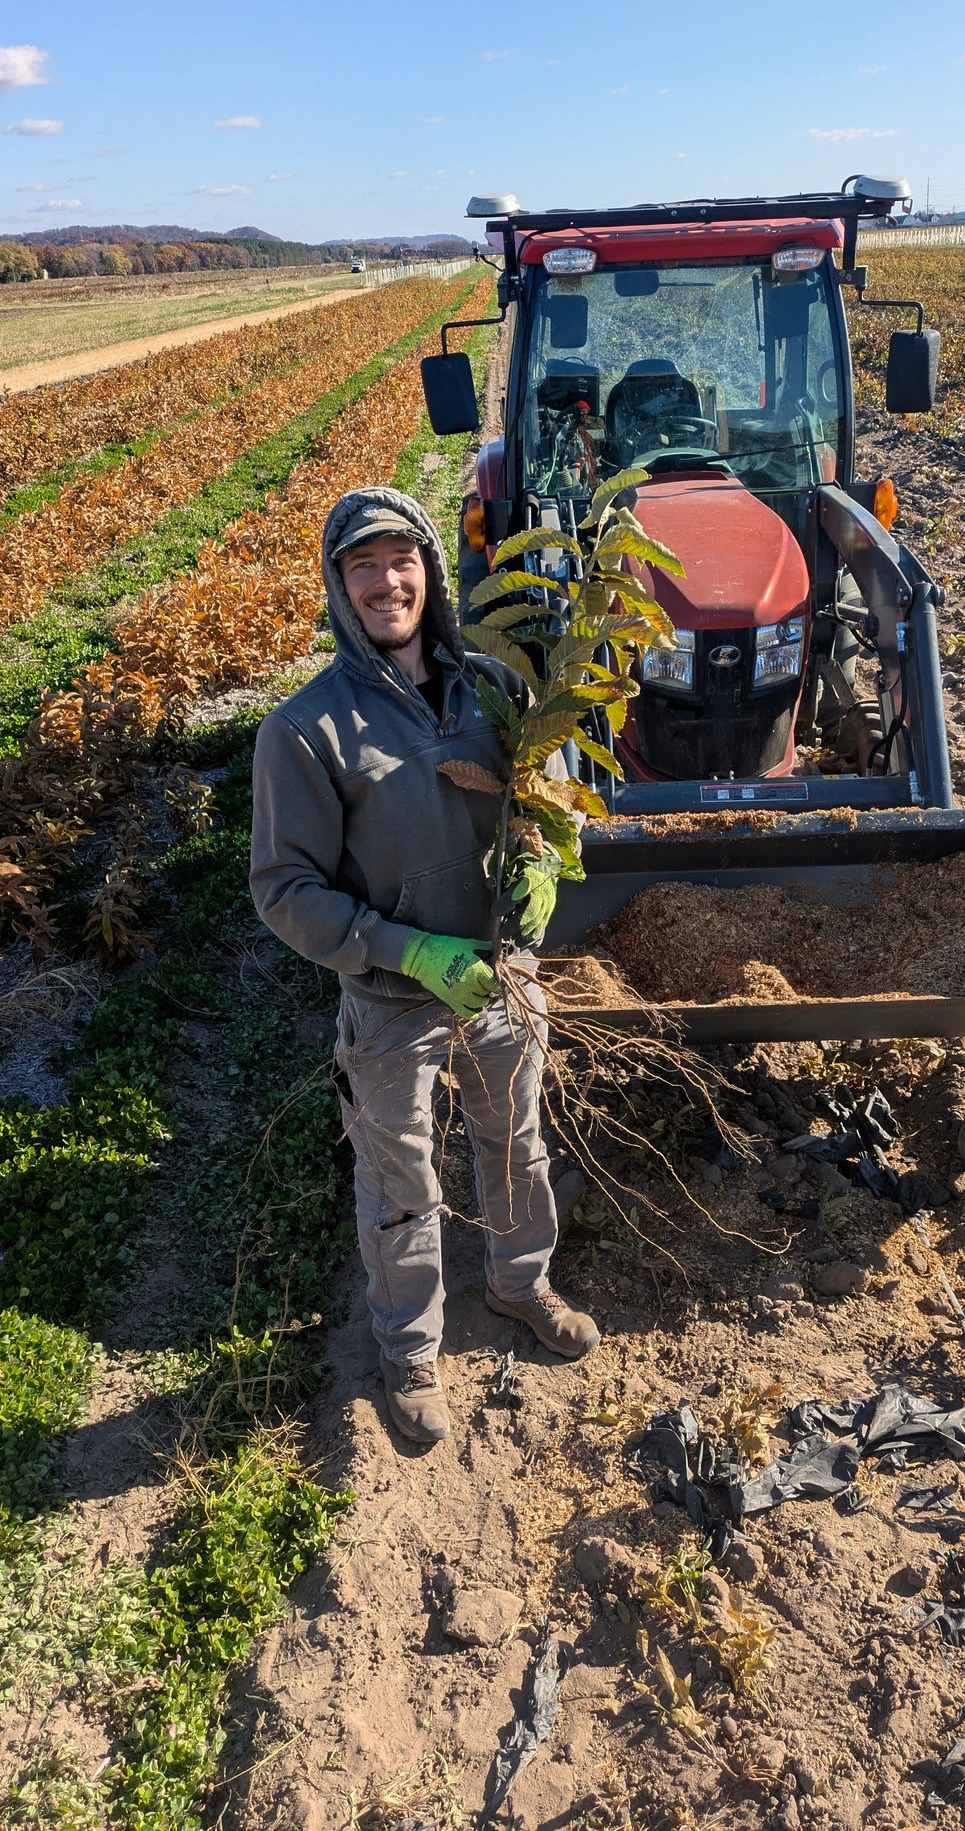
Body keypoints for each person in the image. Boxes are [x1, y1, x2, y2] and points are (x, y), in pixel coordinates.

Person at [248, 486, 599, 1444]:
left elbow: (549, 797)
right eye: (361, 565)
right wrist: (407, 950)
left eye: (400, 560)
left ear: (431, 573)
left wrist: (542, 864)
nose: (385, 582)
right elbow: (284, 890)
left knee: (515, 1144)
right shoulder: (304, 731)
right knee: (401, 1180)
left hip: (500, 977)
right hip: (392, 999)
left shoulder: (496, 689)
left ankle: (521, 1284)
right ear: (338, 586)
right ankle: (408, 1352)